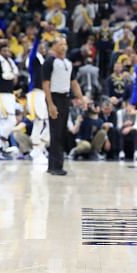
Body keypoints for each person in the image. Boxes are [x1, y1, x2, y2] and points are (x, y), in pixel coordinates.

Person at [43, 37, 84, 176]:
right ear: (54, 46)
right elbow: (46, 84)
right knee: (55, 132)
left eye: (65, 44)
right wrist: (50, 104)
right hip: (54, 97)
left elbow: (74, 83)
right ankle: (54, 166)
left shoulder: (68, 62)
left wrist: (81, 98)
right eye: (60, 44)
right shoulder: (49, 61)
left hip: (65, 98)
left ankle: (57, 164)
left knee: (61, 132)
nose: (64, 47)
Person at [26, 28, 50, 159]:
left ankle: (40, 146)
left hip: (43, 94)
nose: (44, 48)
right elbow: (34, 50)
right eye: (42, 46)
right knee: (39, 120)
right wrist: (38, 37)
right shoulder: (33, 59)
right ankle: (36, 149)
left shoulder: (43, 61)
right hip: (35, 93)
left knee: (47, 121)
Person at [0, 43, 20, 145]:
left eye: (8, 50)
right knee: (11, 120)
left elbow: (16, 75)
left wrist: (15, 76)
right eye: (4, 51)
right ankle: (0, 142)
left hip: (10, 94)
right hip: (1, 94)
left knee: (4, 122)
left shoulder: (11, 63)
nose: (6, 53)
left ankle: (1, 147)